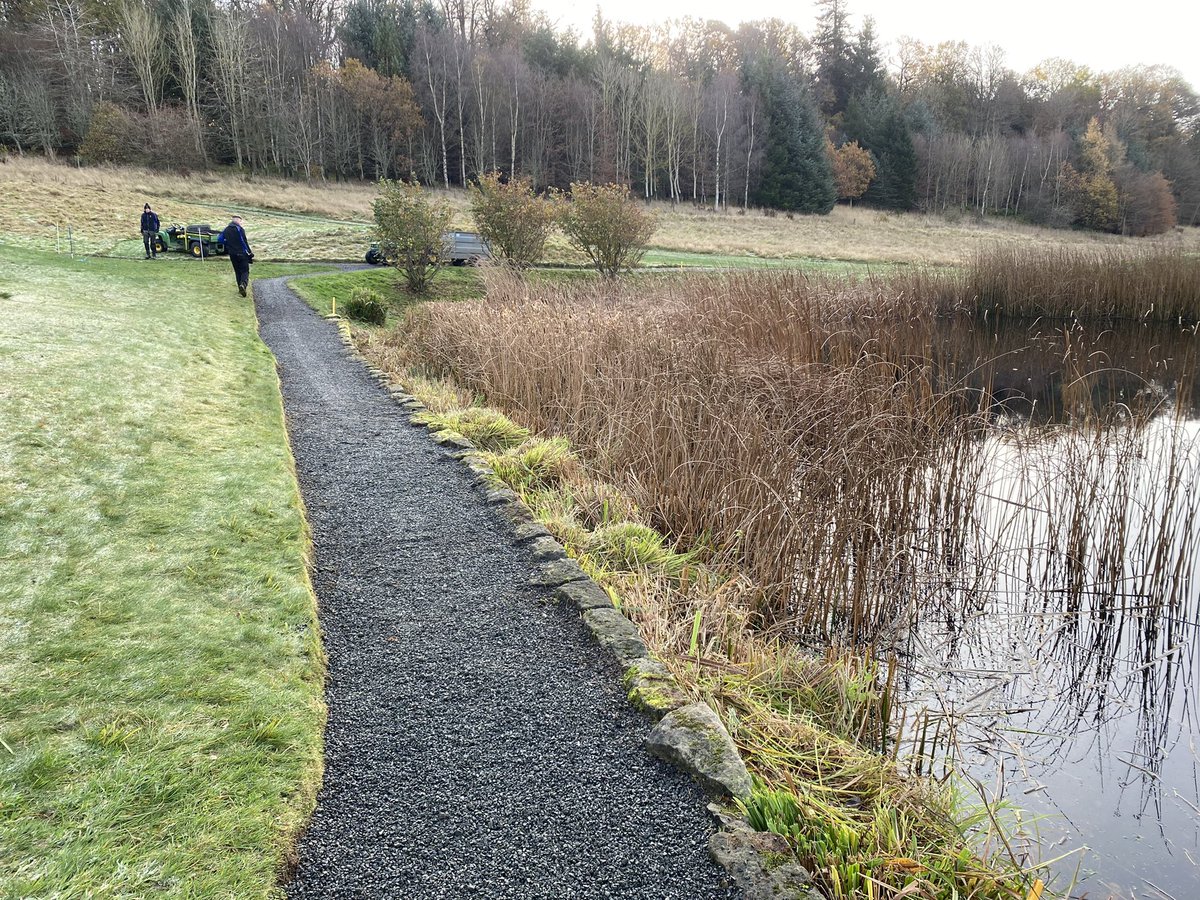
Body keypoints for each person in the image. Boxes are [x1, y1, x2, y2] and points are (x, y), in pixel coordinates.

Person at [219, 215, 254, 297]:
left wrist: (227, 243)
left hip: (232, 254)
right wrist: (249, 252)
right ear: (238, 221)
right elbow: (243, 241)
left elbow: (219, 239)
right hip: (242, 253)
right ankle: (243, 285)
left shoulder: (226, 229)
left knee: (237, 271)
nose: (241, 223)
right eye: (240, 221)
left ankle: (240, 288)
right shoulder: (240, 229)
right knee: (245, 271)